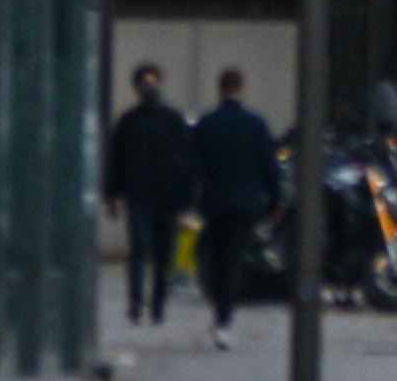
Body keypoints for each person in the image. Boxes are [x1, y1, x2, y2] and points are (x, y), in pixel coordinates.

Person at [187, 63, 285, 346]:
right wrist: (276, 200)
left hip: (214, 201)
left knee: (215, 257)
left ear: (220, 89)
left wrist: (191, 200)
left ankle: (220, 312)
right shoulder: (256, 124)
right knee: (233, 259)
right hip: (246, 202)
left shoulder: (207, 124)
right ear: (241, 89)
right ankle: (225, 320)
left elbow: (194, 167)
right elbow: (269, 166)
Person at [104, 62, 199, 330]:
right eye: (145, 81)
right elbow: (116, 160)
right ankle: (137, 304)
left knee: (161, 254)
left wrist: (187, 198)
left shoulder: (171, 121)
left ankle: (156, 304)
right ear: (137, 87)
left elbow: (188, 162)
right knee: (139, 250)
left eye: (152, 80)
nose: (150, 86)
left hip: (166, 197)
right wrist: (111, 195)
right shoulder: (130, 122)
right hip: (139, 196)